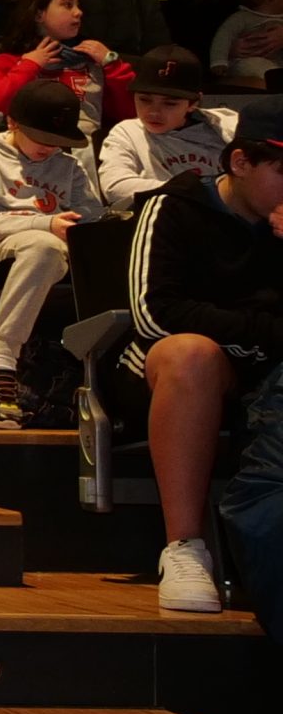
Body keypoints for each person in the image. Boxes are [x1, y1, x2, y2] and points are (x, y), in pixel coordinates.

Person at [120, 130, 283, 623]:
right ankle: (184, 548)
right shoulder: (174, 206)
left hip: (265, 369)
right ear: (241, 163)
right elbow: (155, 314)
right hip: (170, 366)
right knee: (192, 354)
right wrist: (262, 334)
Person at [0, 81, 100, 429]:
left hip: (62, 250)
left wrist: (73, 226)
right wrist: (45, 223)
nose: (49, 148)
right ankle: (1, 364)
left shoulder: (70, 167)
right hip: (2, 248)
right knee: (42, 245)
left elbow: (93, 218)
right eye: (41, 138)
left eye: (58, 141)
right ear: (12, 123)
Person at [0, 0, 136, 140]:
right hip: (30, 149)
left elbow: (130, 113)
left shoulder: (94, 61)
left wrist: (112, 64)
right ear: (39, 14)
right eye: (67, 5)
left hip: (86, 149)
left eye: (78, 5)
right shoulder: (9, 62)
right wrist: (28, 66)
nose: (79, 12)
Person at [100, 47, 234, 210]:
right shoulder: (127, 132)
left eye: (170, 103)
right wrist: (197, 193)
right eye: (144, 100)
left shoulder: (227, 126)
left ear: (194, 103)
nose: (154, 112)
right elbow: (115, 187)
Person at [212, 0, 283, 89]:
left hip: (277, 64)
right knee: (254, 67)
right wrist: (219, 61)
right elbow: (224, 37)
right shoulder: (242, 18)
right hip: (246, 62)